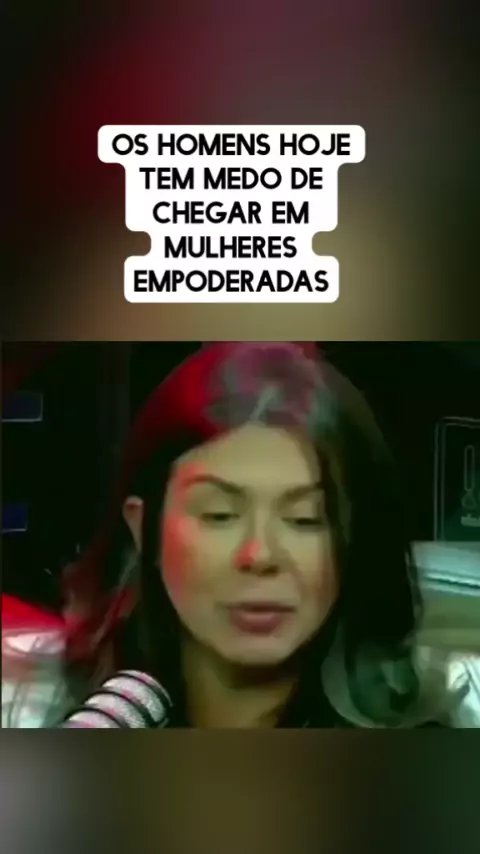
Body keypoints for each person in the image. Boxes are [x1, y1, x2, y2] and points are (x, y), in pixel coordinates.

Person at [2, 343, 470, 727]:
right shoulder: (31, 708)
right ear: (144, 529)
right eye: (220, 514)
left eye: (305, 519)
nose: (259, 554)